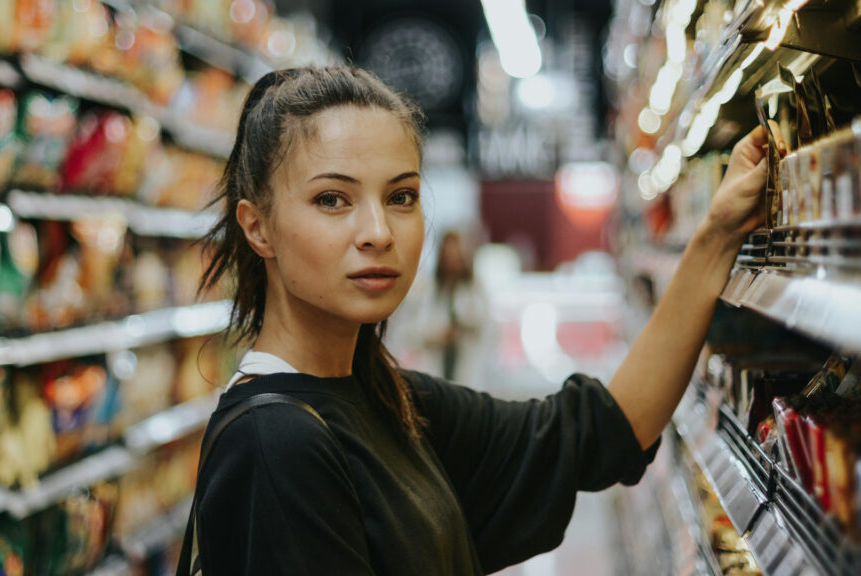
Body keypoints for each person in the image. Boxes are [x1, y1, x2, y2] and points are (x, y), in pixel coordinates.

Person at [186, 66, 768, 575]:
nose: (379, 232)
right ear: (257, 226)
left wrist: (717, 235)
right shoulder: (274, 444)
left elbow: (600, 431)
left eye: (402, 197)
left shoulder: (387, 398)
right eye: (332, 200)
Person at [390, 230, 491, 384]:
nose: (453, 261)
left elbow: (487, 329)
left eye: (457, 255)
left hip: (467, 369)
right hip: (434, 368)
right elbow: (407, 333)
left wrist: (463, 330)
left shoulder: (475, 290)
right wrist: (436, 335)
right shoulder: (428, 291)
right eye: (449, 255)